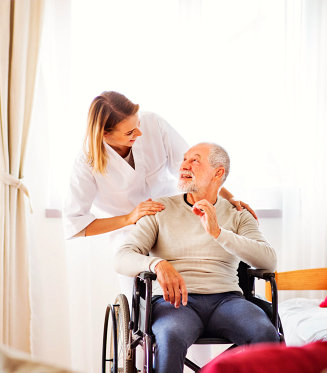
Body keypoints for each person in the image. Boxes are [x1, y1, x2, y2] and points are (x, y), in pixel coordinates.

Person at [114, 142, 280, 373]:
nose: (184, 165)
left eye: (195, 160)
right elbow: (122, 257)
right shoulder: (160, 209)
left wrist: (219, 233)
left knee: (265, 333)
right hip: (173, 303)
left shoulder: (238, 214)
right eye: (184, 159)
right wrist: (157, 264)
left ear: (218, 172)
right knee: (169, 337)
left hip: (227, 301)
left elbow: (268, 261)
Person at [63, 91, 256, 243]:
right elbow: (76, 224)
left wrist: (229, 197)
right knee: (144, 287)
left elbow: (190, 169)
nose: (139, 132)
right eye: (130, 131)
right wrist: (129, 218)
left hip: (173, 218)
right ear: (106, 135)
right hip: (131, 233)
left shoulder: (153, 123)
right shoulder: (86, 161)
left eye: (137, 123)